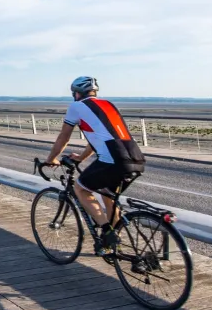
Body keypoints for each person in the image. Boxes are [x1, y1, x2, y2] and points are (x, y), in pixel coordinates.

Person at [45, 76, 146, 251]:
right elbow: (99, 137)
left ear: (76, 93)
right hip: (135, 157)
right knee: (109, 197)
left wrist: (51, 158)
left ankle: (108, 231)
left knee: (80, 188)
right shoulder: (108, 105)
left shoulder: (76, 106)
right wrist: (82, 157)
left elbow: (64, 137)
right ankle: (113, 245)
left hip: (113, 159)